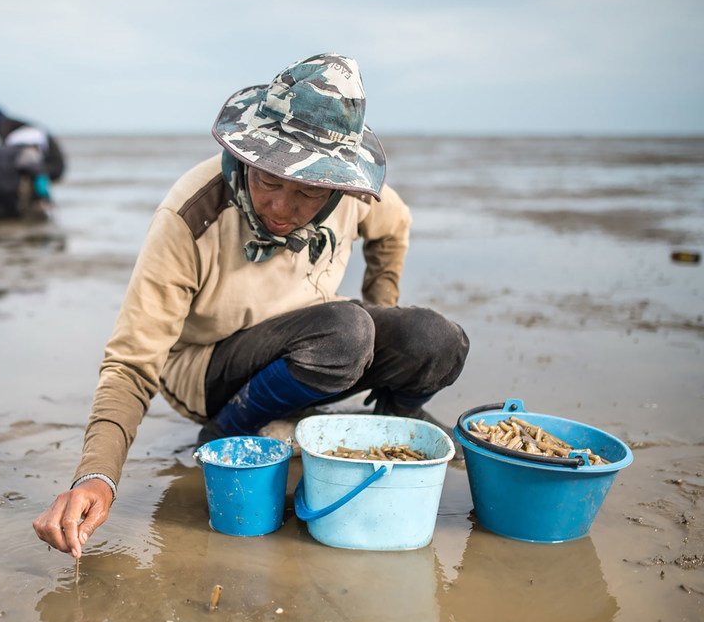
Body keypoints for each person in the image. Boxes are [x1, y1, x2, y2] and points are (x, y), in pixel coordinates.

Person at [32, 53, 470, 557]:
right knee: (347, 333)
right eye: (268, 181)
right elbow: (131, 365)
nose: (283, 208)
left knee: (435, 339)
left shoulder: (352, 196)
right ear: (247, 156)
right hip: (209, 369)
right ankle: (229, 430)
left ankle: (397, 419)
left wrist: (383, 308)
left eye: (308, 191)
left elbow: (395, 227)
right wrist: (97, 476)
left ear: (336, 183)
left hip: (315, 344)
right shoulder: (189, 215)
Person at [0, 103, 67, 220]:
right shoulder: (22, 141)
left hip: (50, 166)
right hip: (10, 199)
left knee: (26, 172)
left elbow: (37, 167)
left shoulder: (4, 141)